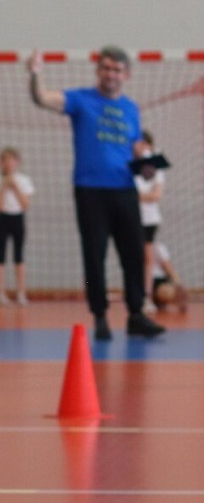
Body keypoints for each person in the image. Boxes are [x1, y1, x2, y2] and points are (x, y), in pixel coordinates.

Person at [26, 47, 165, 341]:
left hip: (125, 189)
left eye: (117, 70)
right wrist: (35, 73)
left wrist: (146, 166)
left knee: (134, 253)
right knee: (94, 254)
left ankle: (136, 314)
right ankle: (100, 315)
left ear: (126, 75)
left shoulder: (131, 109)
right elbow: (42, 98)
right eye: (106, 68)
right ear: (98, 71)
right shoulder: (81, 100)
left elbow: (134, 150)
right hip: (90, 190)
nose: (111, 75)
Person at [0, 146, 34, 305]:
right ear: (1, 163)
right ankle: (0, 293)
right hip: (3, 218)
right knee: (0, 256)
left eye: (11, 161)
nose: (8, 164)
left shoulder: (24, 180)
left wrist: (15, 186)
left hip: (18, 218)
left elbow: (26, 204)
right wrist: (4, 186)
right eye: (4, 161)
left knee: (19, 256)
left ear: (17, 163)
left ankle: (21, 293)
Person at [133, 131, 165, 313]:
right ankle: (134, 295)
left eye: (144, 144)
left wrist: (140, 196)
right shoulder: (129, 165)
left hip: (149, 219)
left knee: (148, 258)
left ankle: (146, 296)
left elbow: (156, 195)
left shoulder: (156, 166)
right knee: (133, 257)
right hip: (130, 217)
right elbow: (128, 194)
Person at [151, 241, 188, 313]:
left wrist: (178, 284)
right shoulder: (157, 247)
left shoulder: (158, 247)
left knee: (166, 291)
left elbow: (166, 265)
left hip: (157, 280)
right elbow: (167, 266)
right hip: (149, 281)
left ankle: (154, 300)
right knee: (166, 291)